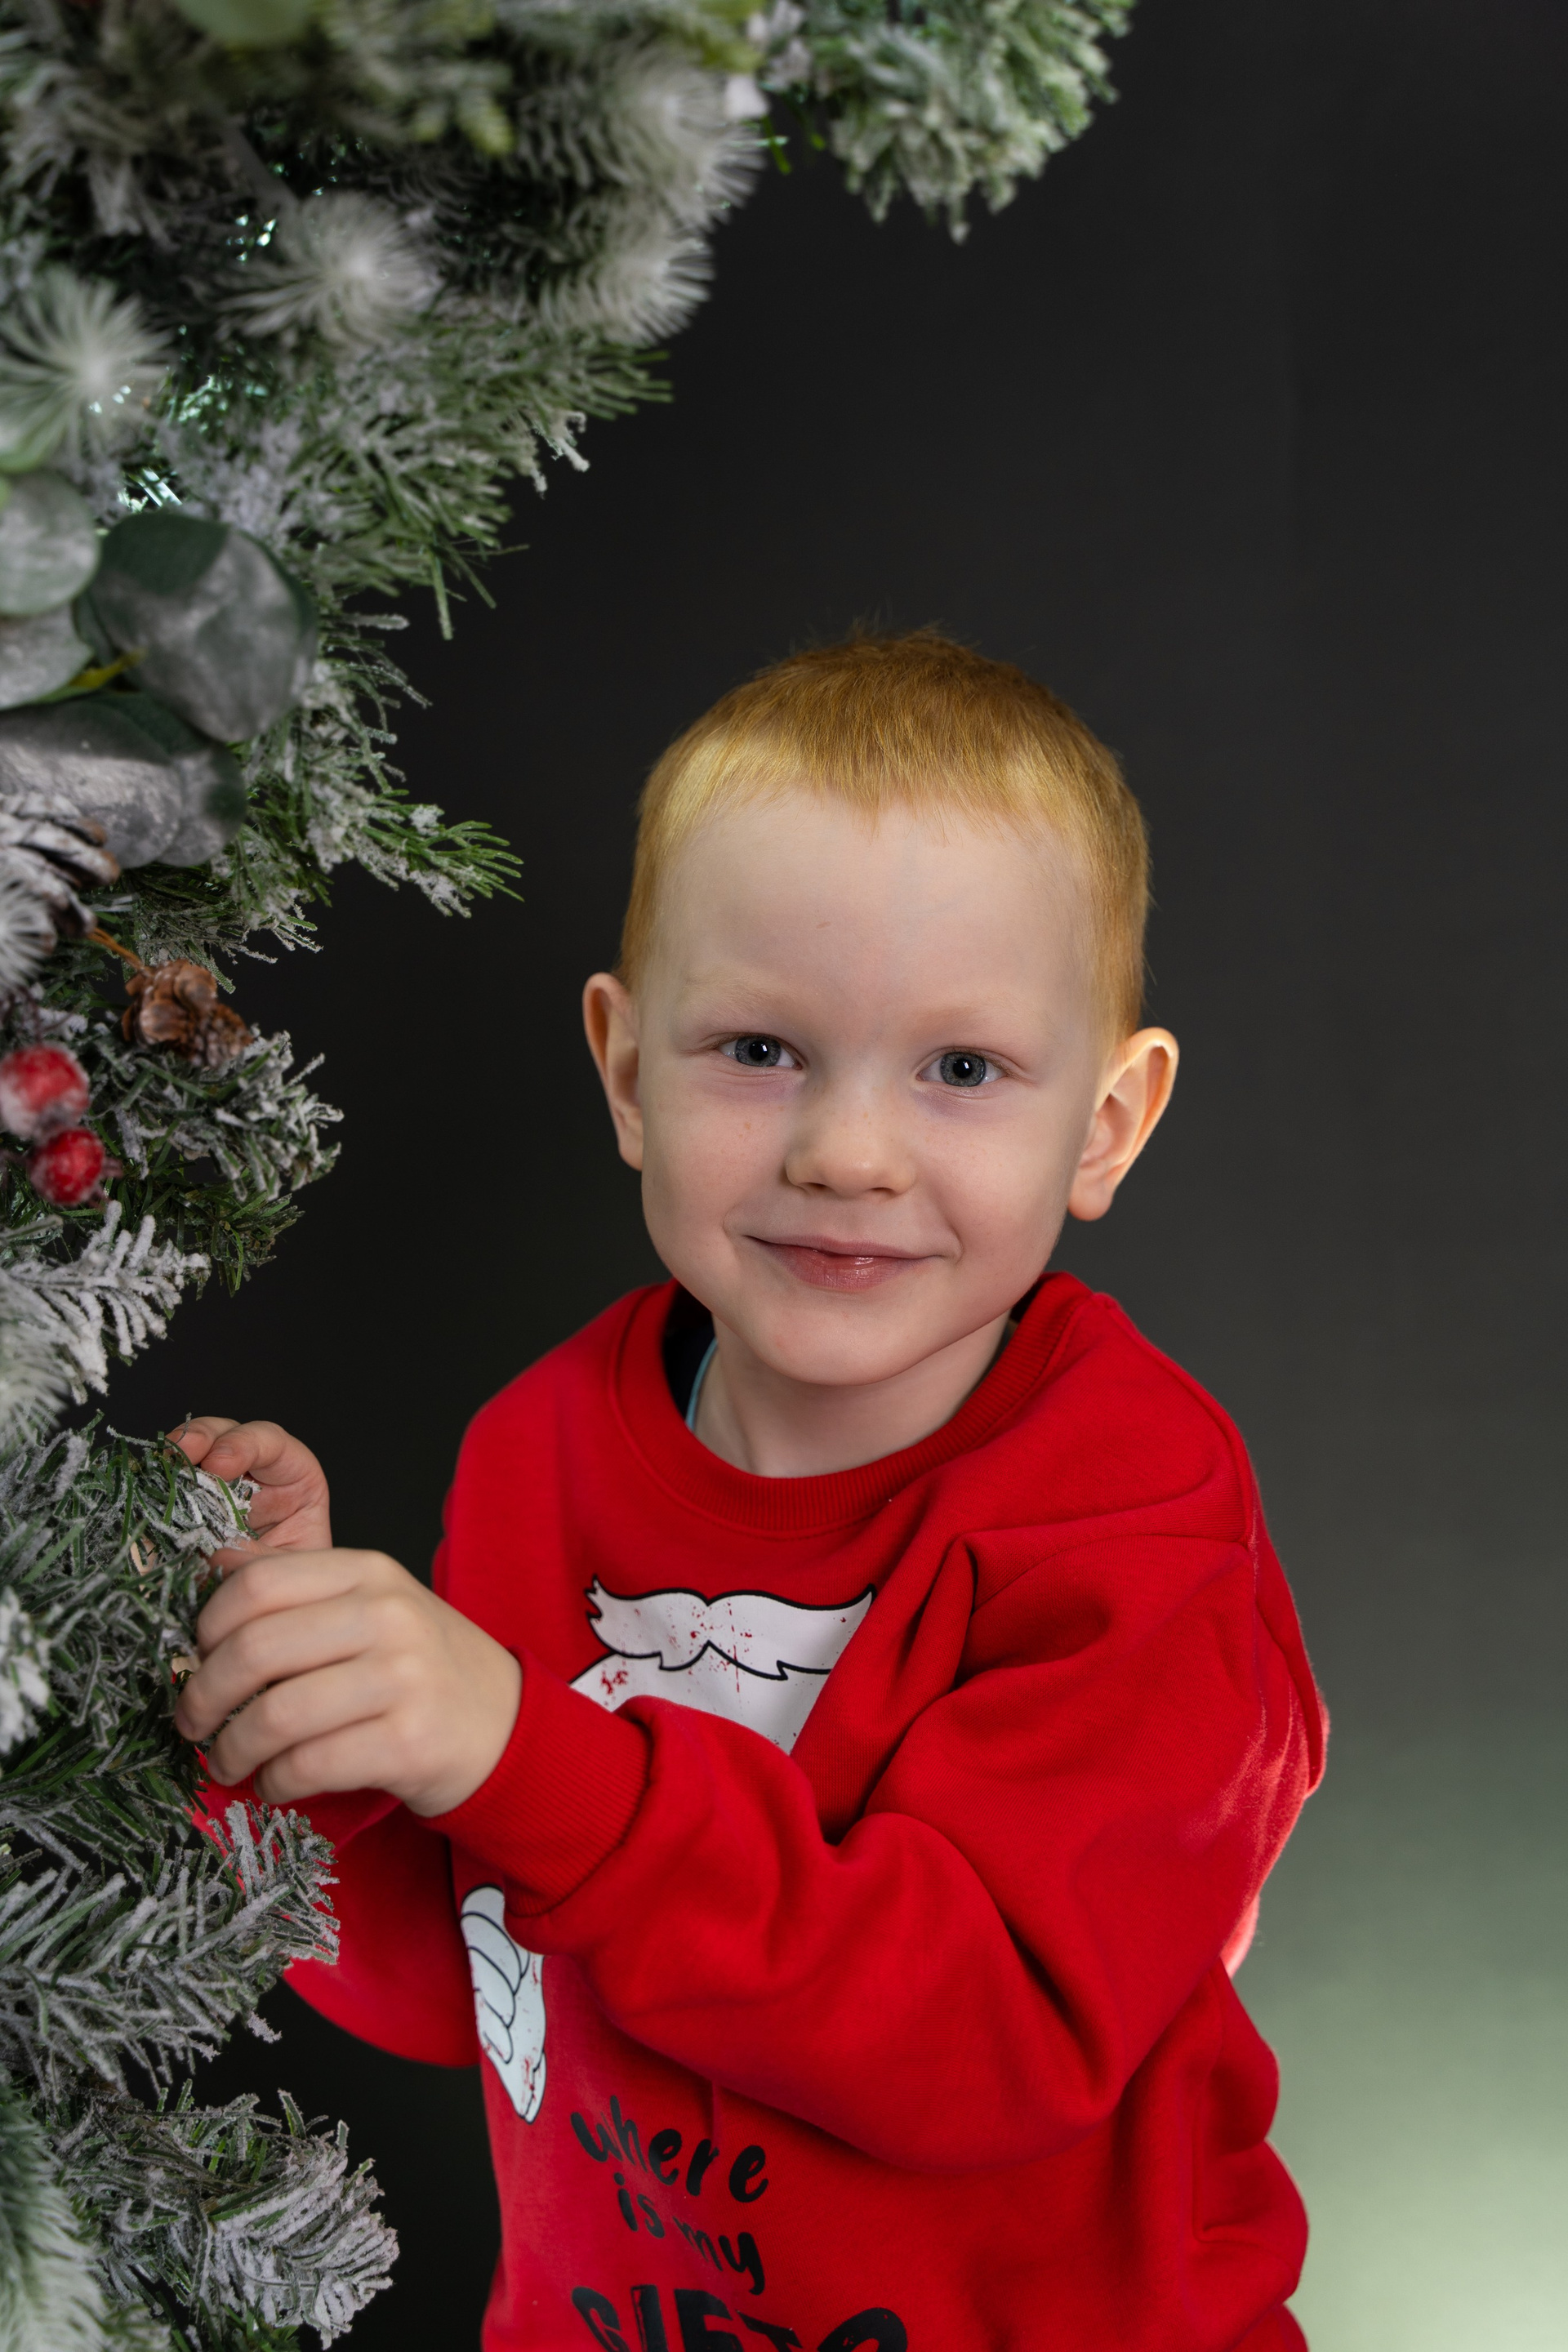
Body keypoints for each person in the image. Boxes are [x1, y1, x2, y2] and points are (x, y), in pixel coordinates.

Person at [175, 632, 1326, 2352]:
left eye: (961, 1069)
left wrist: (519, 1751)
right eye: (761, 1049)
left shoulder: (1135, 1509)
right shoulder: (542, 1447)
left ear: (1104, 1122)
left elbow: (982, 2038)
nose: (845, 1153)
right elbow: (469, 1988)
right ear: (628, 1070)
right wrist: (299, 1713)